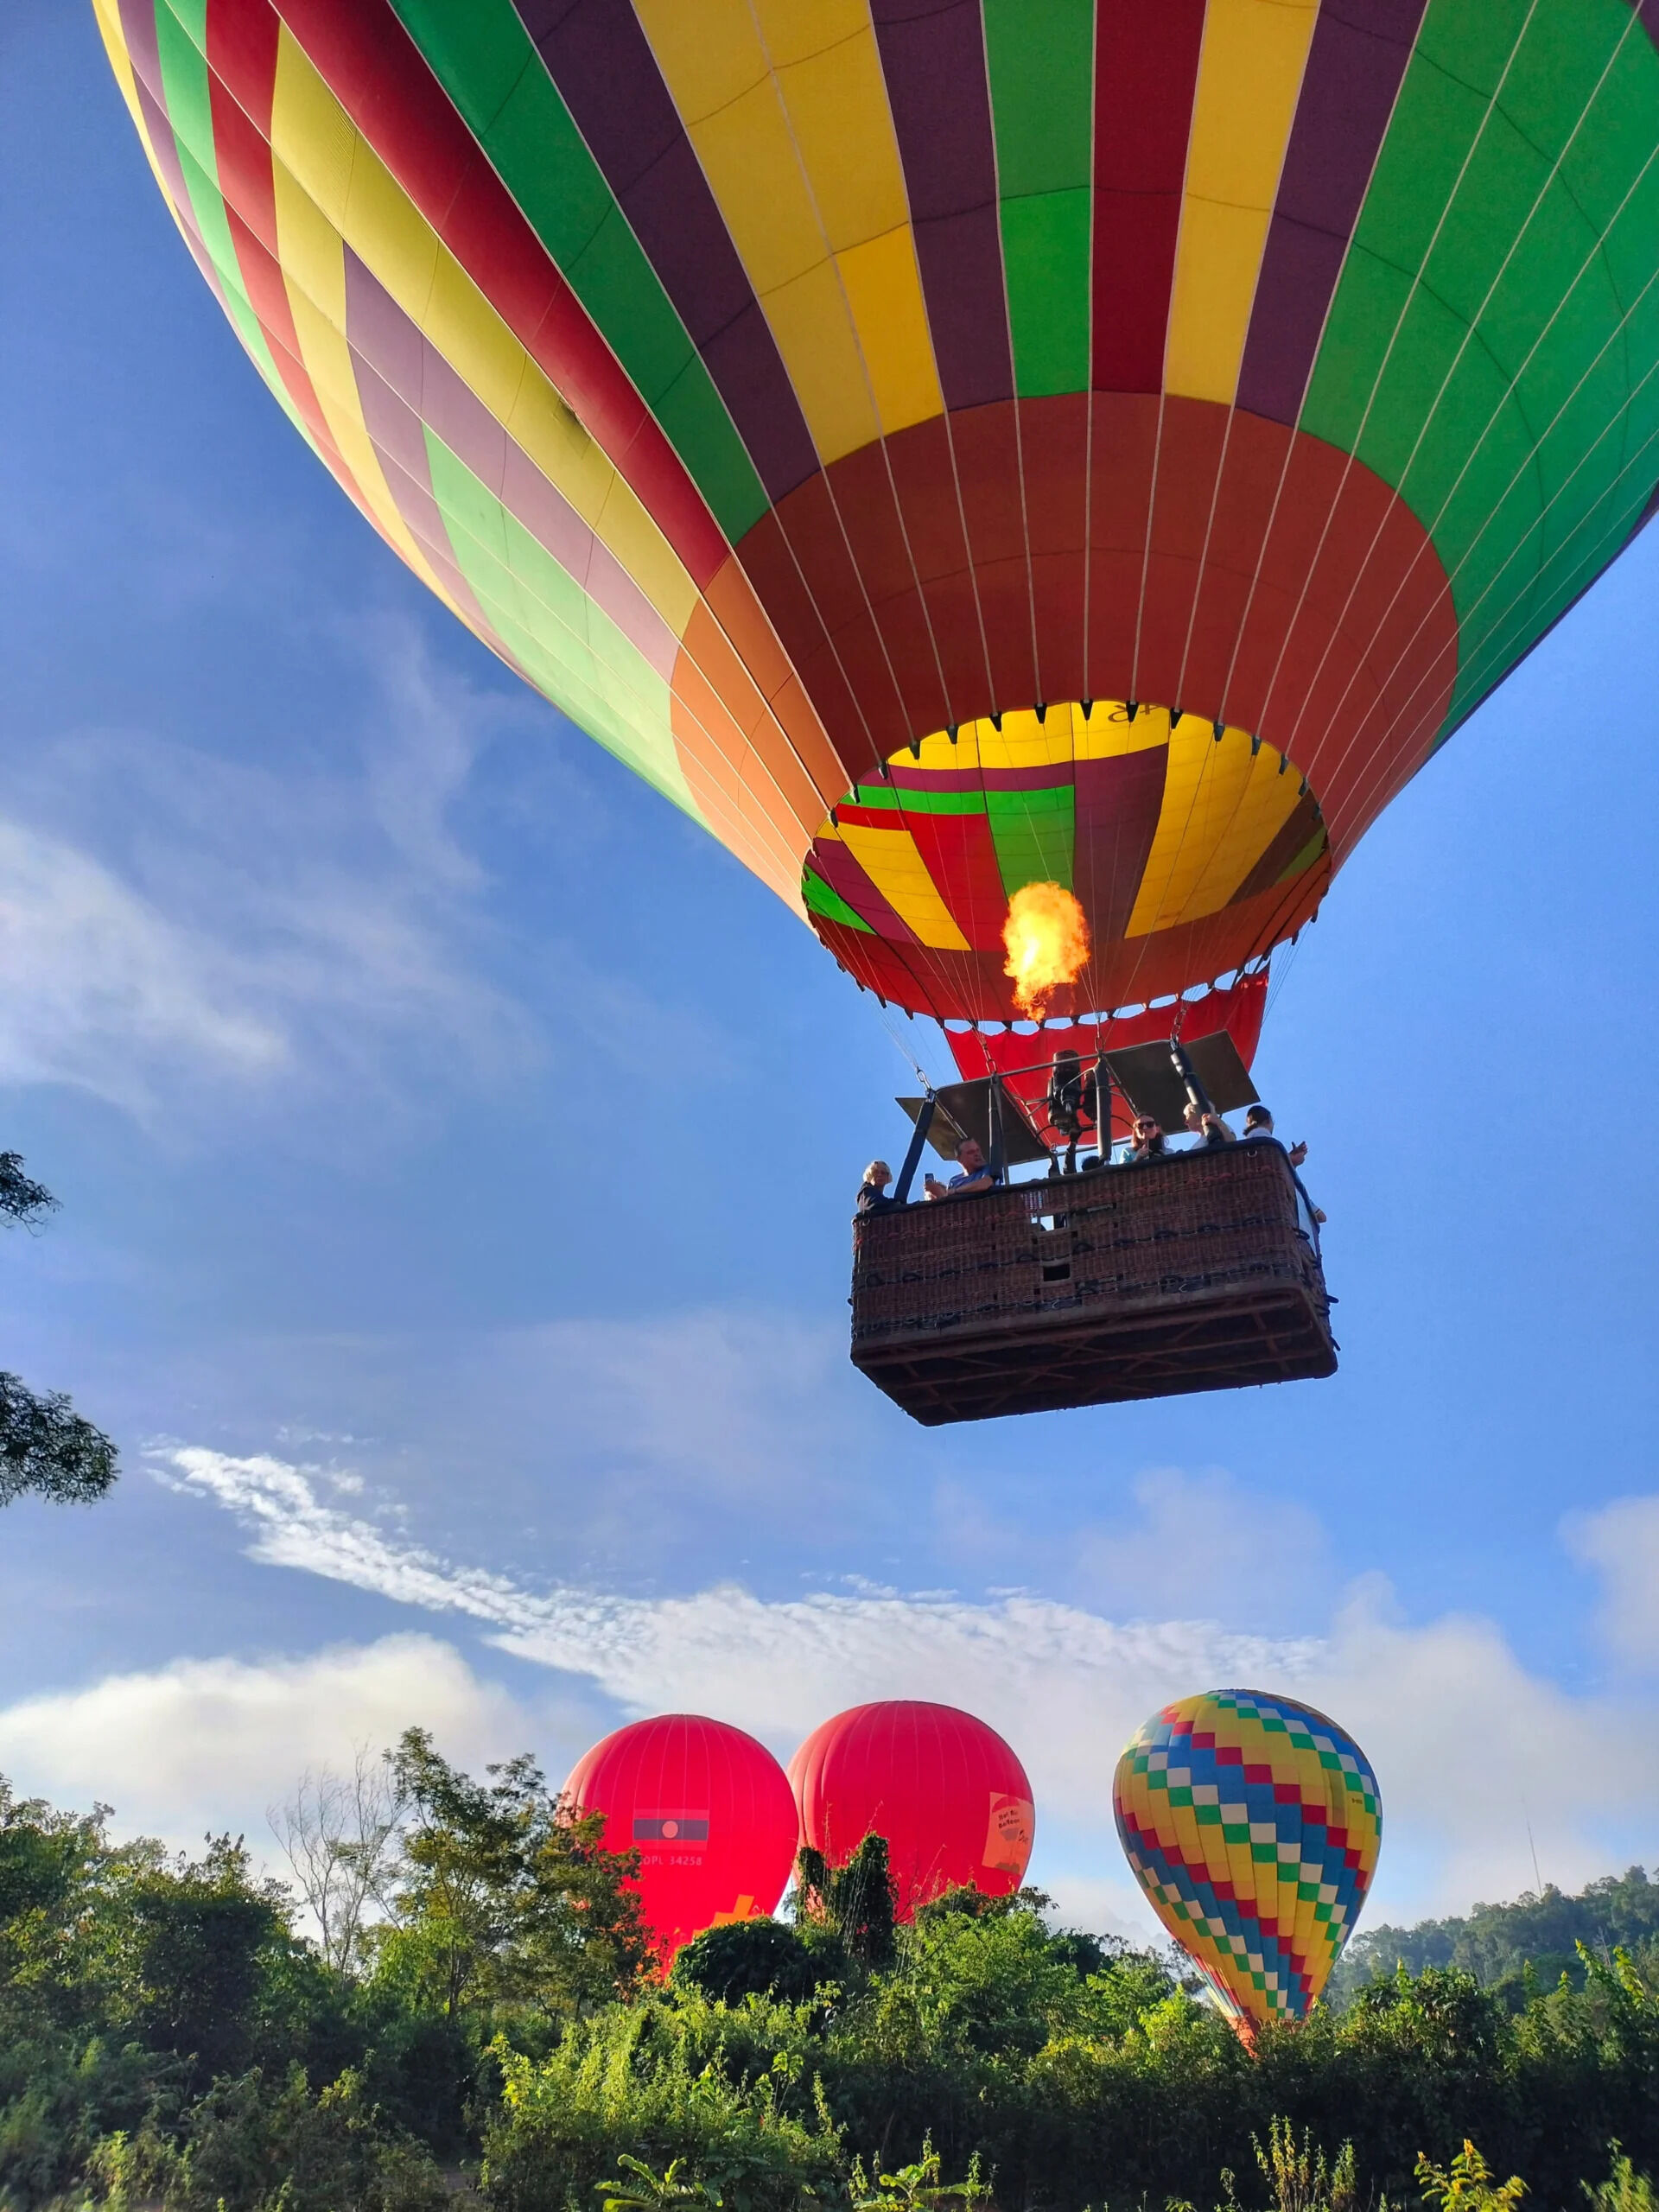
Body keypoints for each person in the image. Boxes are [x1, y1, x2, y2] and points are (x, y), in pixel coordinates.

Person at [1240, 1107, 1325, 1225]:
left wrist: (1289, 1158)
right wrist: (1292, 1161)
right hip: (1275, 1209)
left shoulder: (1247, 1144)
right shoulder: (1263, 1137)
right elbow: (1266, 1161)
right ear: (1268, 1121)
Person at [924, 1136, 997, 1200]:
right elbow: (948, 1202)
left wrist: (955, 1191)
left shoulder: (988, 1169)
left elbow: (986, 1183)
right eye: (971, 1152)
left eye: (978, 1150)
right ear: (960, 1159)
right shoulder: (954, 1180)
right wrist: (936, 1194)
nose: (977, 1154)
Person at [1239, 1104, 1307, 1167]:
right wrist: (1293, 1159)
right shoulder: (1261, 1132)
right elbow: (1267, 1156)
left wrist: (1289, 1156)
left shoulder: (1251, 1136)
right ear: (1268, 1121)